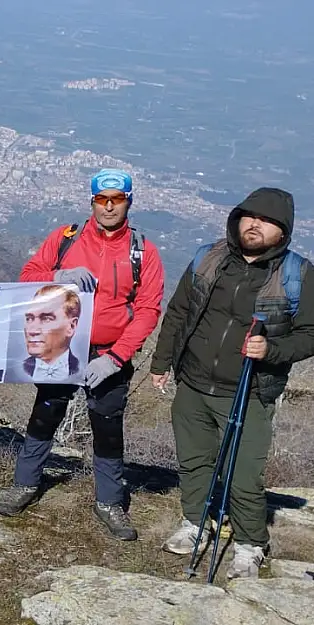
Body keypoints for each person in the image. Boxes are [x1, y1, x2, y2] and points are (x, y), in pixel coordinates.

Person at [151, 187, 314, 579]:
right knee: (194, 462)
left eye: (268, 220)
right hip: (192, 382)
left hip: (249, 391)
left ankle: (250, 544)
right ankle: (195, 524)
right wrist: (161, 363)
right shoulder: (208, 259)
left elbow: (309, 334)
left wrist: (270, 349)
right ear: (237, 218)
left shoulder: (297, 274)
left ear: (283, 231)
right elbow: (178, 313)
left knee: (244, 477)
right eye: (250, 215)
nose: (255, 224)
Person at [0, 168, 164, 541]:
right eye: (101, 199)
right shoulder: (66, 239)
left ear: (128, 203)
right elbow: (27, 278)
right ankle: (25, 483)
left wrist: (117, 358)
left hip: (108, 353)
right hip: (63, 347)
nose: (108, 207)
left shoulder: (142, 252)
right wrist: (59, 275)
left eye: (116, 200)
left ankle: (109, 502)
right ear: (92, 202)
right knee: (46, 412)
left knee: (107, 425)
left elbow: (149, 309)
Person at [21, 285, 82, 381]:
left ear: (71, 326)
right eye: (29, 319)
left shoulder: (81, 368)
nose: (32, 331)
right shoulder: (19, 369)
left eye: (46, 319)